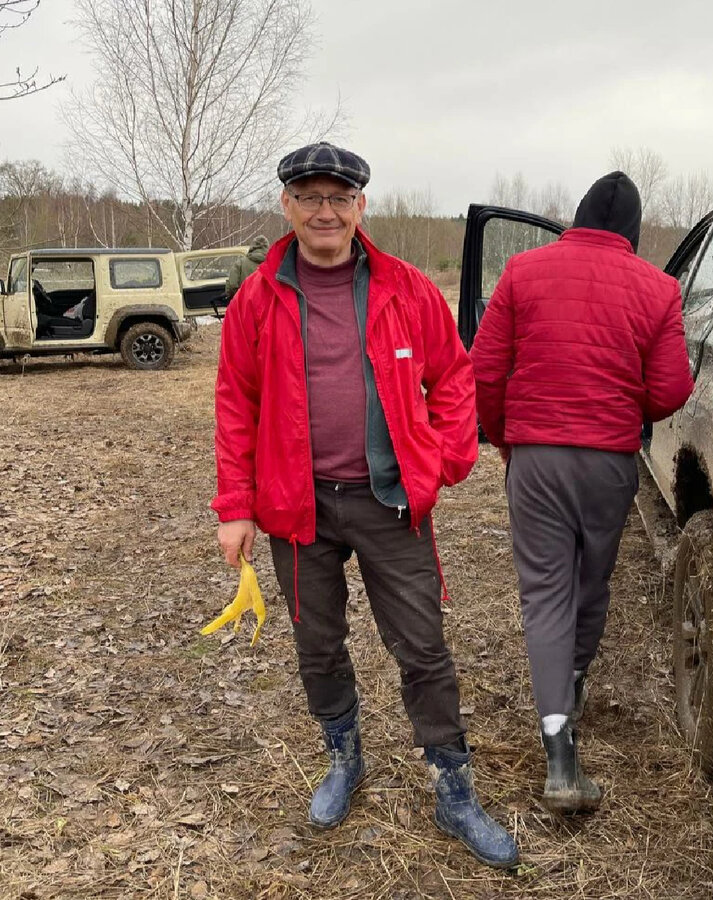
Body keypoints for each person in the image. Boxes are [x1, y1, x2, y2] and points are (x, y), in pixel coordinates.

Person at [211, 141, 519, 868]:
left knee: (423, 648)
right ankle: (345, 757)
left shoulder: (406, 289)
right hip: (297, 508)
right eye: (310, 197)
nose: (325, 210)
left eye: (339, 197)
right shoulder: (259, 297)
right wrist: (235, 505)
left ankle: (453, 789)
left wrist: (445, 459)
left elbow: (453, 378)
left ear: (361, 206)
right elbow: (235, 404)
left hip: (389, 503)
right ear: (286, 205)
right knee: (317, 644)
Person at [470, 171, 694, 813]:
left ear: (576, 217)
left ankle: (560, 752)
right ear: (631, 233)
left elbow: (485, 367)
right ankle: (573, 681)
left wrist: (502, 434)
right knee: (592, 582)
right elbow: (671, 391)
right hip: (609, 463)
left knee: (545, 591)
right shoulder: (659, 288)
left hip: (536, 456)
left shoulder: (522, 270)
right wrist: (627, 403)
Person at [225, 235, 269, 300]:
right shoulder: (274, 264)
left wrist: (239, 298)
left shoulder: (240, 263)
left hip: (245, 304)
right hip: (267, 305)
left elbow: (232, 285)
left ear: (252, 247)